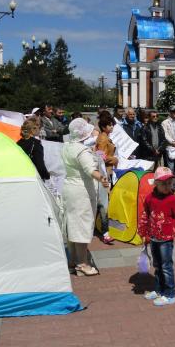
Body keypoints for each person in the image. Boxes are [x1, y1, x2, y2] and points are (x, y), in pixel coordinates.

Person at [62, 118, 110, 276]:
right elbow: (90, 170)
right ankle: (82, 263)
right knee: (81, 225)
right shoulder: (82, 150)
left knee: (71, 224)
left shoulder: (67, 146)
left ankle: (72, 260)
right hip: (81, 190)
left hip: (69, 187)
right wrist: (102, 179)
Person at [138, 167, 175, 306]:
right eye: (164, 184)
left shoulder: (173, 199)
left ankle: (169, 294)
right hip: (154, 238)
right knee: (157, 265)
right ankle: (158, 290)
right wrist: (142, 232)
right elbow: (145, 215)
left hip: (166, 240)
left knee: (166, 266)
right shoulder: (150, 198)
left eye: (170, 183)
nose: (168, 186)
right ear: (156, 183)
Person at [95, 116, 119, 181]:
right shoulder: (102, 138)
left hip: (109, 169)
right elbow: (100, 156)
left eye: (112, 125)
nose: (112, 127)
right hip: (106, 171)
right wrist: (115, 159)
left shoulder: (105, 136)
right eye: (109, 125)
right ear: (103, 127)